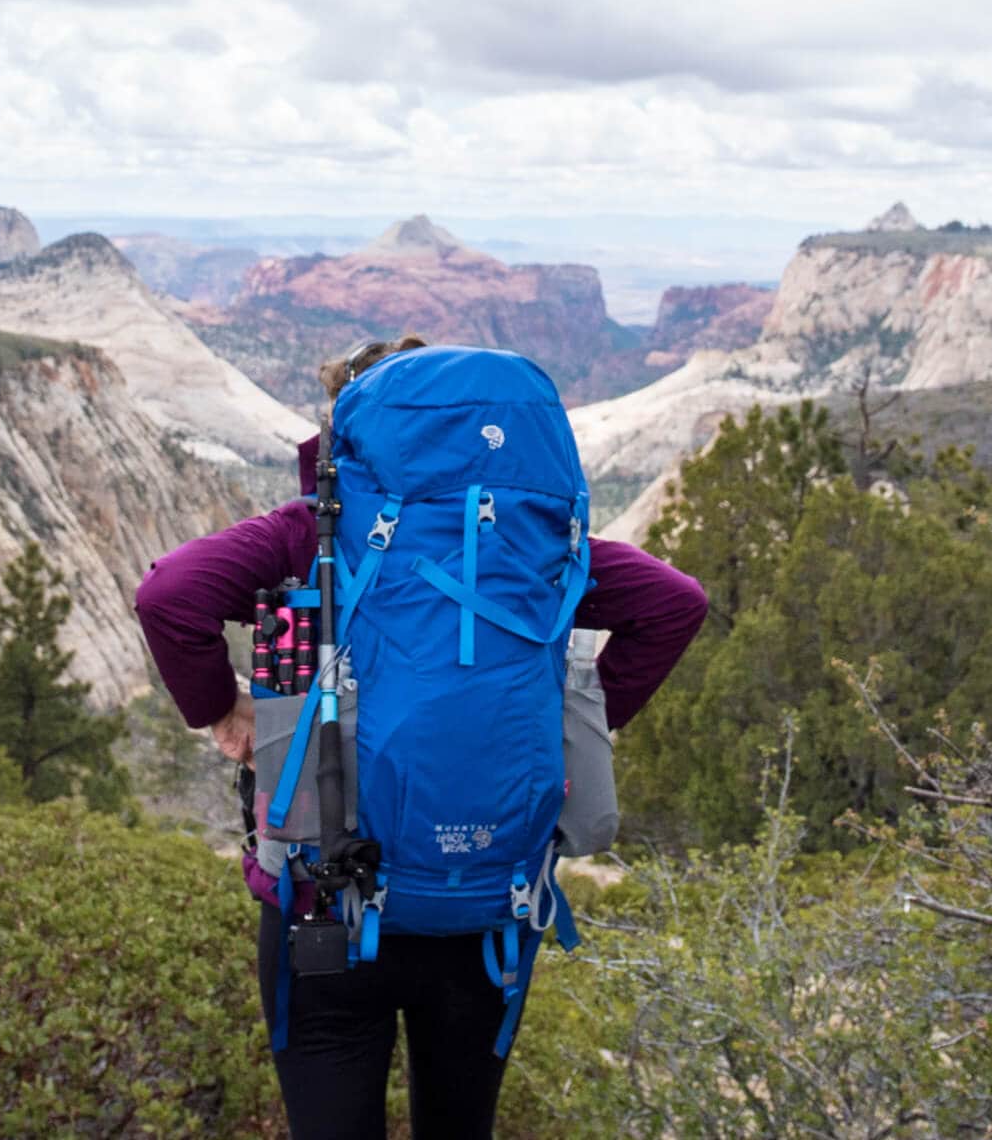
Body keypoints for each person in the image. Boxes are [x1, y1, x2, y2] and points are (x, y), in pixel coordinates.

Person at [134, 336, 705, 1139]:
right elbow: (676, 602)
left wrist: (220, 709)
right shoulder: (539, 547)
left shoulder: (311, 536)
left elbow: (170, 595)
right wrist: (570, 719)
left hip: (323, 903)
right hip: (488, 915)